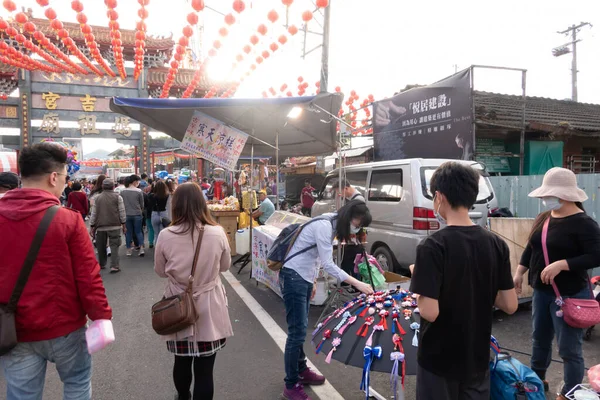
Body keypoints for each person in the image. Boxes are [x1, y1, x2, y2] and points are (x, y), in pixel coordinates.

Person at [0, 142, 112, 400]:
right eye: (64, 177)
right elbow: (88, 275)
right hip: (65, 326)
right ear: (53, 177)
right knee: (76, 383)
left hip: (13, 328)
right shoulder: (67, 220)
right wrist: (100, 315)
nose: (64, 182)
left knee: (21, 394)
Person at [409, 162, 518, 400]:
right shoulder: (496, 244)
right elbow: (510, 305)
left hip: (439, 361)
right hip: (477, 359)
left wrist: (419, 280)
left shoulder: (433, 246)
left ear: (439, 196)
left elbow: (429, 312)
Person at [514, 167, 600, 399]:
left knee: (569, 349)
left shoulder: (585, 224)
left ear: (562, 196)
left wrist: (563, 264)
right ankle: (537, 379)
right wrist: (519, 273)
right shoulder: (544, 218)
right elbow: (532, 248)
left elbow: (596, 255)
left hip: (571, 294)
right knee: (539, 339)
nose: (543, 199)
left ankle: (570, 392)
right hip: (542, 293)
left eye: (546, 195)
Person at [280, 200, 374, 400]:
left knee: (299, 329)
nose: (357, 229)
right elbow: (328, 264)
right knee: (296, 333)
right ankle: (291, 384)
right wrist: (357, 284)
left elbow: (314, 255)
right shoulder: (324, 226)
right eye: (358, 224)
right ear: (349, 217)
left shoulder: (330, 225)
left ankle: (301, 370)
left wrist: (313, 280)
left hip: (302, 276)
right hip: (294, 276)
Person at [154, 183, 233, 400]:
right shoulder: (217, 232)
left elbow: (160, 271)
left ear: (175, 205)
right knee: (205, 368)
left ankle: (182, 396)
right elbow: (225, 266)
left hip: (177, 305)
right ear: (202, 203)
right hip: (209, 305)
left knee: (181, 360)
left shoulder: (165, 235)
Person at [90, 178, 127, 273]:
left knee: (101, 245)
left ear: (102, 186)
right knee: (114, 245)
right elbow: (122, 211)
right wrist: (123, 223)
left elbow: (93, 213)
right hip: (114, 225)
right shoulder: (118, 197)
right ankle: (114, 265)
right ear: (113, 187)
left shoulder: (97, 198)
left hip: (100, 225)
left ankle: (102, 263)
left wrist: (92, 225)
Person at [121, 174, 145, 257]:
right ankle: (141, 248)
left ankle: (128, 250)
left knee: (128, 232)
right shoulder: (139, 191)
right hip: (137, 214)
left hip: (127, 214)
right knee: (138, 231)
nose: (138, 183)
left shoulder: (123, 192)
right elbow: (142, 204)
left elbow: (122, 204)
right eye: (137, 181)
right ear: (134, 181)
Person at [149, 180, 170, 247]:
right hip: (164, 214)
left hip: (154, 214)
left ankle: (157, 248)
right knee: (163, 233)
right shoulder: (167, 196)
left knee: (156, 233)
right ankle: (163, 247)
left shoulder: (151, 196)